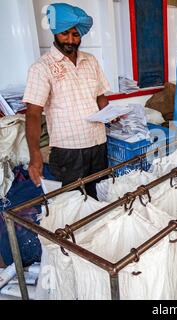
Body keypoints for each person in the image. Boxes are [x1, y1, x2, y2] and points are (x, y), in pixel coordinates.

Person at [23, 3, 112, 199]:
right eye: (65, 34)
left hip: (98, 143)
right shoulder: (42, 67)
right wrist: (35, 154)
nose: (71, 40)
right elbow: (33, 113)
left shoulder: (91, 60)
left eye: (76, 35)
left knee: (99, 197)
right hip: (68, 151)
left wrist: (111, 115)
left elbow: (100, 96)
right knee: (73, 203)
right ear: (55, 33)